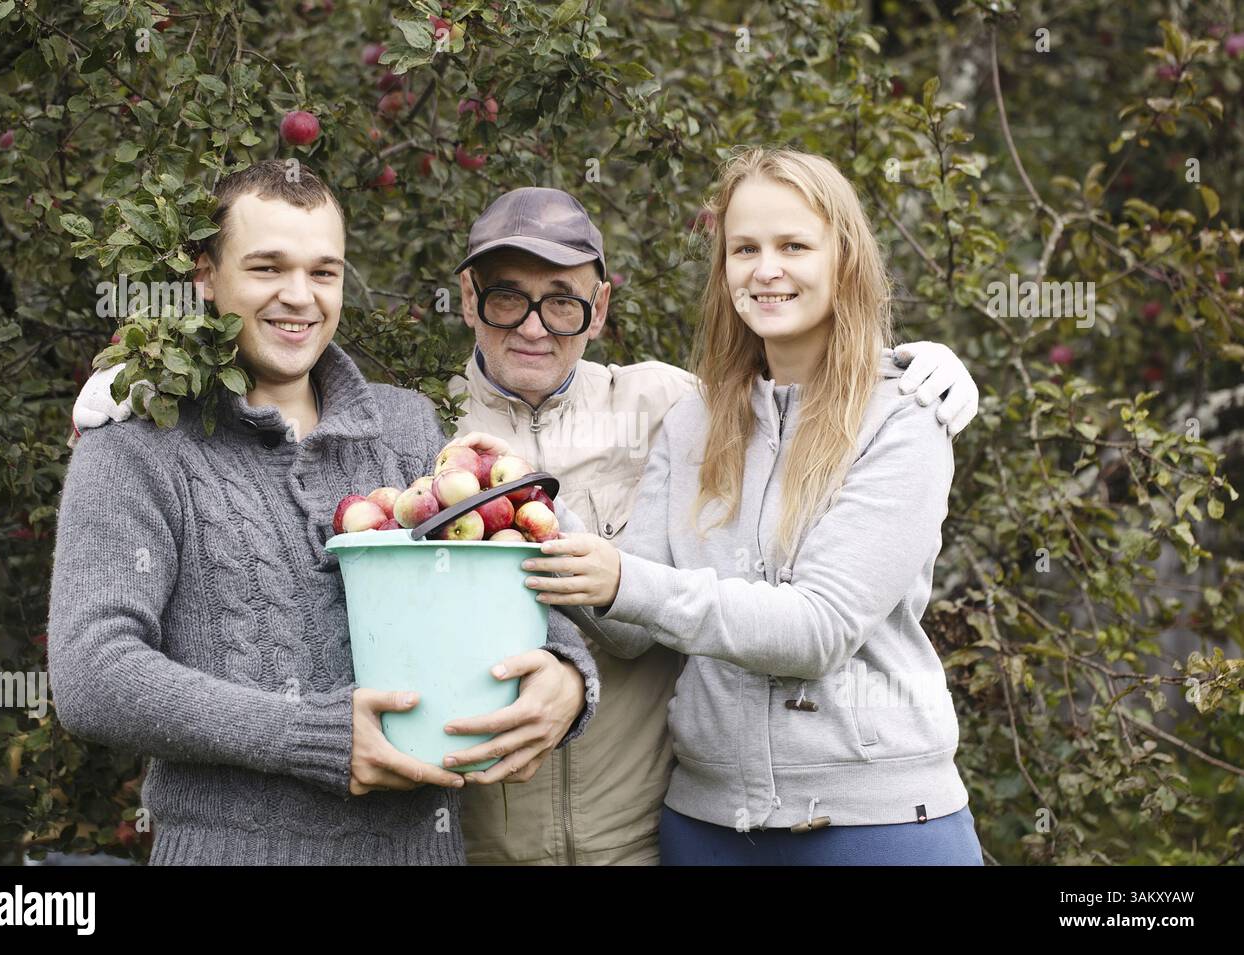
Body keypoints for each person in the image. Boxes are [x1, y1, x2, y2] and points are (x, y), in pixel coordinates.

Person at [72, 184, 980, 865]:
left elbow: (795, 406)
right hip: (480, 842)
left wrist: (921, 370)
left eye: (564, 301)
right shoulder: (425, 429)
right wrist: (136, 381)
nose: (536, 325)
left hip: (642, 837)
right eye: (508, 297)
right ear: (469, 300)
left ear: (601, 308)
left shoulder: (674, 407)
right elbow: (99, 669)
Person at [48, 160, 598, 865]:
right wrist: (310, 735)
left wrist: (566, 674)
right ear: (206, 275)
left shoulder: (404, 428)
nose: (299, 296)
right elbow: (93, 674)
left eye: (323, 272)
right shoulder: (136, 445)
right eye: (268, 268)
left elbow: (500, 585)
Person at [521, 147, 984, 865]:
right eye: (745, 249)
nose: (766, 269)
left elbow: (818, 630)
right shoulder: (694, 420)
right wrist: (536, 509)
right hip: (707, 826)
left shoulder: (904, 415)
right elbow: (633, 628)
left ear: (844, 258)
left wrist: (625, 580)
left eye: (794, 246)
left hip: (876, 827)